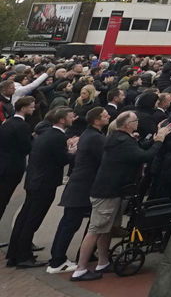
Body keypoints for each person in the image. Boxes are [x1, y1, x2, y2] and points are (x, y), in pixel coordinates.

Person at [74, 111, 171, 281]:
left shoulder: (119, 138)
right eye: (135, 120)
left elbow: (137, 149)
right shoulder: (123, 141)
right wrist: (159, 141)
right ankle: (80, 269)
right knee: (96, 229)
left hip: (110, 190)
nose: (137, 122)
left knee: (106, 229)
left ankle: (103, 262)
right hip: (107, 192)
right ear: (127, 125)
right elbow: (144, 156)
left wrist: (151, 139)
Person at [6, 107, 76, 268]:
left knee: (24, 217)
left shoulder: (46, 134)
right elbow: (61, 159)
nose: (73, 118)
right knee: (32, 219)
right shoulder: (57, 137)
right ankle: (24, 256)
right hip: (45, 183)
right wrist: (73, 152)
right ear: (61, 120)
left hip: (34, 180)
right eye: (70, 116)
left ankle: (15, 253)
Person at [47, 106, 108, 273]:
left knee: (74, 224)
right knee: (70, 224)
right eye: (104, 115)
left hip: (79, 186)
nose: (108, 116)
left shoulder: (89, 135)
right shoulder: (95, 137)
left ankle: (77, 255)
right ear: (96, 120)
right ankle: (57, 261)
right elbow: (104, 160)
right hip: (82, 188)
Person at [0, 96, 36, 225]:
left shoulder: (7, 123)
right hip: (13, 168)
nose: (34, 109)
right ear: (23, 108)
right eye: (31, 106)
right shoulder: (23, 126)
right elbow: (26, 148)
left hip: (3, 164)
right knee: (3, 200)